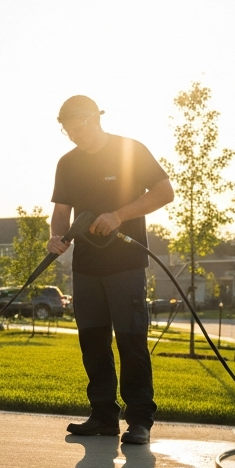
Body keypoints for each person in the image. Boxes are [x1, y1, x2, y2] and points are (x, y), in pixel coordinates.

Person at [47, 95, 174, 445]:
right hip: (86, 267)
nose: (74, 136)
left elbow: (165, 192)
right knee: (93, 342)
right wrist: (56, 237)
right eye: (67, 131)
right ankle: (103, 415)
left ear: (94, 119)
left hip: (126, 265)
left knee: (131, 340)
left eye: (77, 129)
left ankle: (139, 420)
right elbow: (61, 210)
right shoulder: (67, 163)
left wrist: (119, 215)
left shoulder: (129, 150)